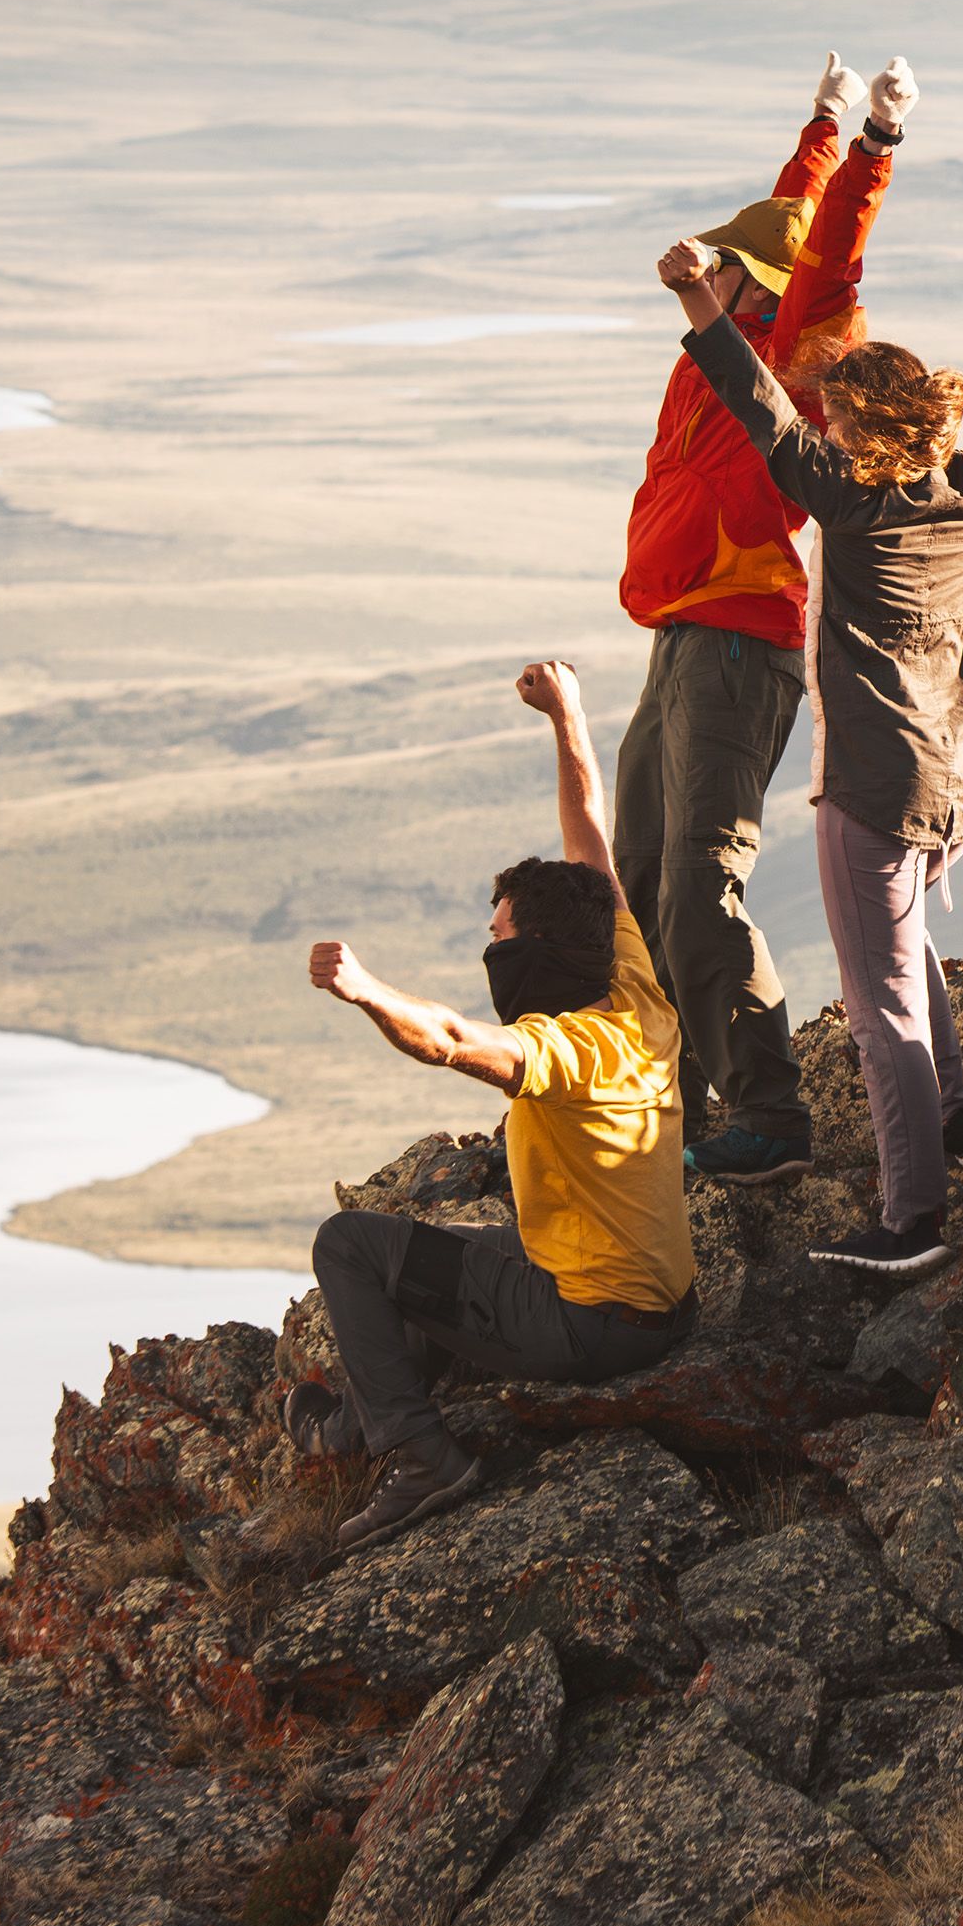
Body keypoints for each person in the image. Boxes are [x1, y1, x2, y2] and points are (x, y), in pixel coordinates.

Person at [671, 224, 963, 1285]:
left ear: (854, 425)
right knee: (904, 946)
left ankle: (911, 1218)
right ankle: (960, 1119)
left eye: (832, 415)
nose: (821, 427)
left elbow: (757, 410)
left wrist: (700, 301)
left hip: (876, 785)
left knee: (877, 996)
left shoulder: (847, 500)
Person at [291, 660, 695, 1550]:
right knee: (444, 1256)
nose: (491, 945)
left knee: (351, 1244)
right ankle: (352, 1429)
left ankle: (421, 1458)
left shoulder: (574, 1047)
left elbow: (449, 1039)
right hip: (652, 1296)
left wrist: (364, 989)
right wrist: (568, 715)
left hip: (593, 1324)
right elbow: (591, 834)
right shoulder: (631, 986)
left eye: (500, 934)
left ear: (538, 949)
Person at [616, 53, 914, 1187]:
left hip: (741, 646)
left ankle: (768, 1115)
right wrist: (822, 119)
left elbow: (827, 244)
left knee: (700, 882)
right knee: (641, 884)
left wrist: (876, 142)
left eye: (737, 272)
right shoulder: (714, 342)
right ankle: (678, 1105)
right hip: (679, 640)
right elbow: (794, 206)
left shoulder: (796, 353)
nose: (723, 277)